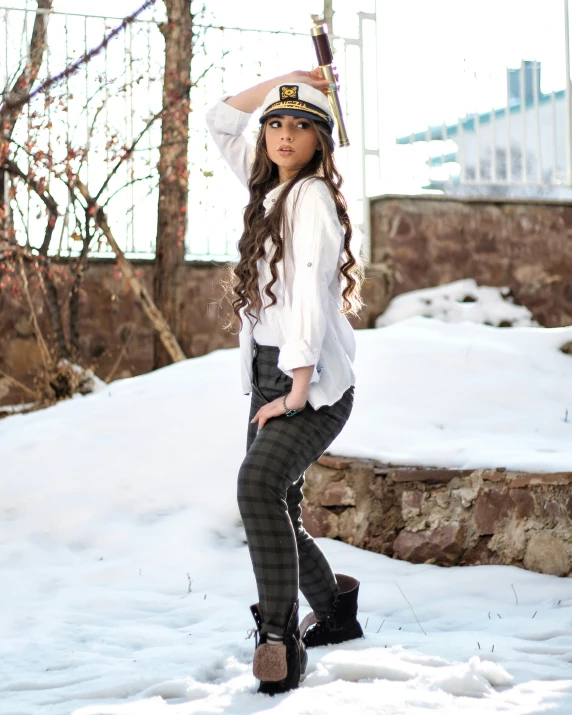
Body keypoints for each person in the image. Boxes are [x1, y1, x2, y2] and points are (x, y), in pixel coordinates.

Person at [205, 69, 365, 696]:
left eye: (301, 124)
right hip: (272, 372)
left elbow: (307, 301)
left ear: (321, 140)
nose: (283, 134)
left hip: (314, 380)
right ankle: (335, 611)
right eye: (275, 122)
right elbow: (218, 116)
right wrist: (289, 81)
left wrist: (297, 389)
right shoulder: (268, 186)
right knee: (278, 510)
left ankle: (278, 640)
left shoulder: (313, 200)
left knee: (256, 487)